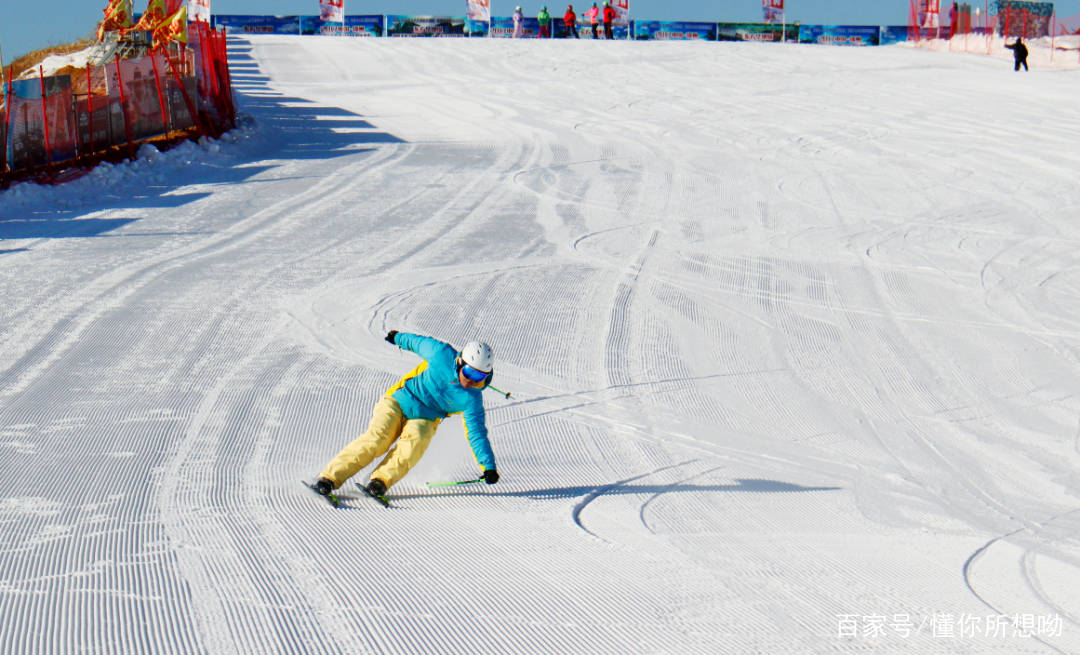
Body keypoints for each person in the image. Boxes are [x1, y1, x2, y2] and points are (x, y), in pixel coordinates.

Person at [313, 331, 500, 499]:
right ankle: (329, 478)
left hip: (425, 417)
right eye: (468, 372)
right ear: (460, 363)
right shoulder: (442, 354)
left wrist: (488, 466)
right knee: (378, 440)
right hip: (399, 400)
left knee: (415, 444)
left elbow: (477, 434)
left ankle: (380, 481)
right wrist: (398, 338)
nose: (470, 380)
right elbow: (418, 343)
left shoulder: (472, 399)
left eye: (478, 377)